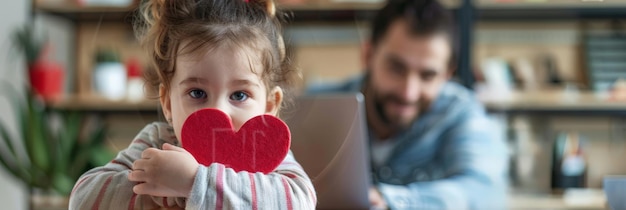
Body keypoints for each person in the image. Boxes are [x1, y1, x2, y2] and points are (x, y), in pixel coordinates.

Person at [69, 0, 317, 209]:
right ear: (167, 103)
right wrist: (161, 180)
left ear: (269, 105)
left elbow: (299, 201)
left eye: (239, 95)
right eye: (197, 93)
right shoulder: (159, 140)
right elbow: (84, 198)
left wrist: (193, 182)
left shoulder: (264, 149)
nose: (218, 111)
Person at [308, 0, 508, 209]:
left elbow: (484, 192)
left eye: (428, 75)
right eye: (396, 68)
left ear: (447, 74)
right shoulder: (317, 106)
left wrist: (391, 200)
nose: (408, 92)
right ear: (368, 55)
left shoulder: (461, 113)